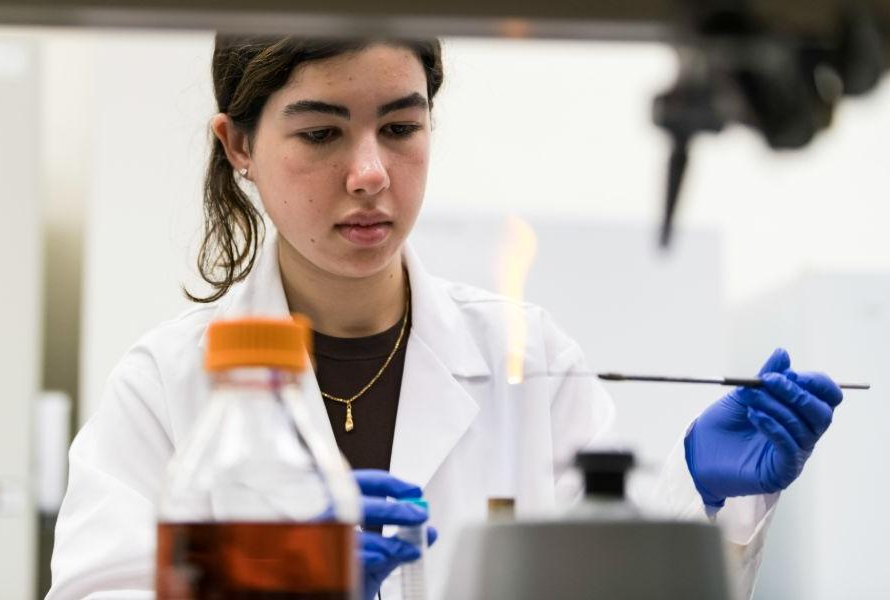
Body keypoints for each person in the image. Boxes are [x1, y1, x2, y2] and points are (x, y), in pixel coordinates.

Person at [47, 36, 844, 600]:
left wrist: (700, 496)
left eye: (400, 127)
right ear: (238, 144)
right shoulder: (164, 388)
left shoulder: (529, 358)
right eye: (321, 132)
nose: (369, 173)